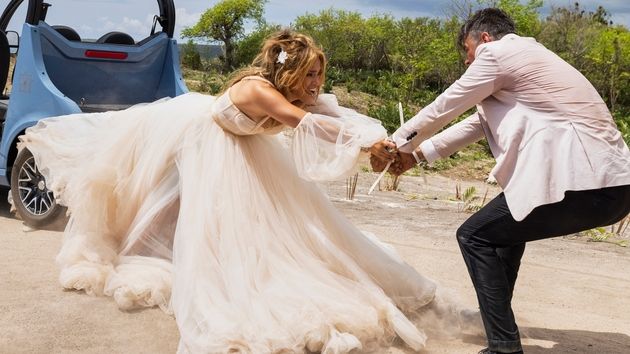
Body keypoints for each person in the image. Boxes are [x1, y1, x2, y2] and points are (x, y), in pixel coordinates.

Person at [20, 30, 479, 353]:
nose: (317, 84)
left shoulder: (297, 93)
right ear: (290, 70)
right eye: (310, 75)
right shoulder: (259, 91)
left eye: (320, 75)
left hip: (241, 148)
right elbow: (305, 124)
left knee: (257, 226)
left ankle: (158, 249)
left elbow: (335, 118)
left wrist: (381, 146)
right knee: (182, 211)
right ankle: (138, 250)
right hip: (198, 139)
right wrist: (360, 145)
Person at [371, 8, 630, 354]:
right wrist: (416, 155)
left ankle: (504, 347)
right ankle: (493, 326)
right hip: (613, 186)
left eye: (467, 50)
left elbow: (447, 103)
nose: (467, 61)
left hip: (583, 179)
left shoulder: (498, 53)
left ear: (485, 38)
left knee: (474, 236)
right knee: (504, 237)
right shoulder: (531, 61)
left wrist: (395, 141)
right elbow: (475, 125)